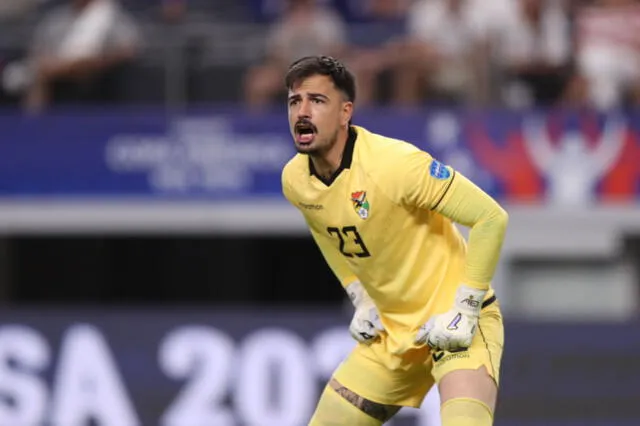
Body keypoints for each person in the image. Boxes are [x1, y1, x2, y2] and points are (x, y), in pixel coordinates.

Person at [281, 56, 508, 426]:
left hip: (455, 325)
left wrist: (466, 309)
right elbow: (324, 229)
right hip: (392, 336)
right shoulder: (295, 180)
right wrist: (359, 295)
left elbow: (490, 218)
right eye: (294, 101)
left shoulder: (396, 165)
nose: (302, 112)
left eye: (317, 101)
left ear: (345, 112)